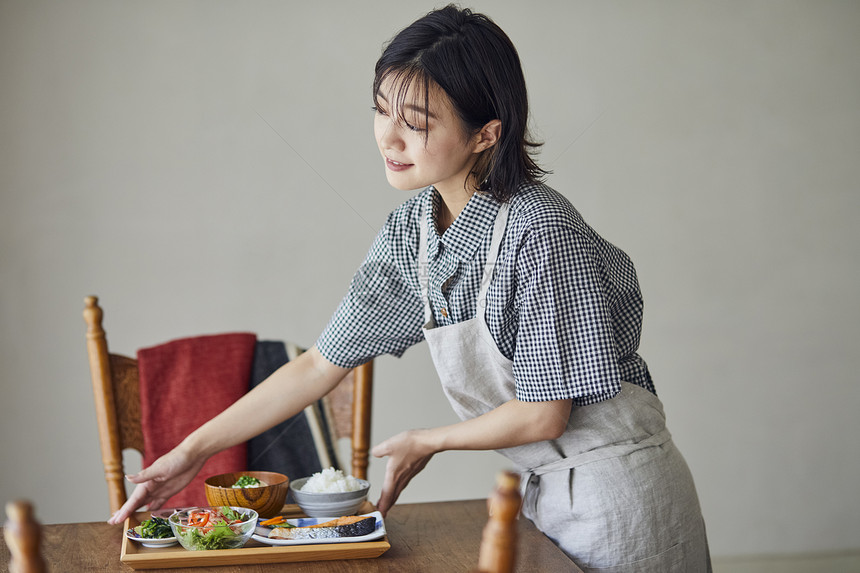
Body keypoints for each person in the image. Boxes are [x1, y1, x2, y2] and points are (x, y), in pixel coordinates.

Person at [108, 5, 711, 571]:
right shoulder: (413, 231)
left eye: (416, 123)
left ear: (485, 135)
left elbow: (544, 415)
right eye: (381, 110)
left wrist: (430, 439)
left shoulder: (540, 228)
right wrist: (193, 451)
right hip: (546, 497)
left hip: (623, 500)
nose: (388, 138)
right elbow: (321, 363)